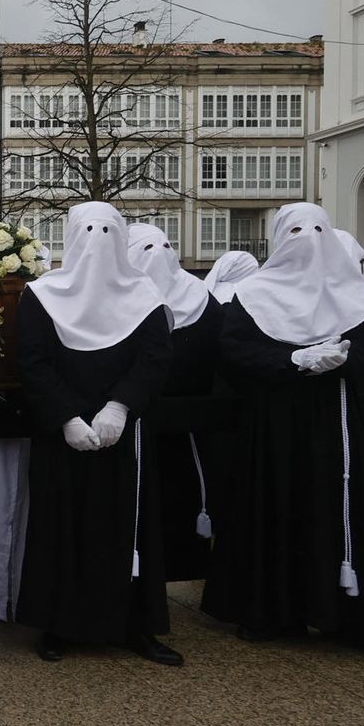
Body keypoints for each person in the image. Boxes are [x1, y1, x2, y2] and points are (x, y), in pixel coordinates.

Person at [202, 203, 364, 656]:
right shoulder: (252, 294)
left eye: (316, 228)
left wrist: (349, 359)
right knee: (277, 504)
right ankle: (274, 612)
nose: (306, 238)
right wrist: (291, 361)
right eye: (295, 230)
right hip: (276, 421)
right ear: (277, 238)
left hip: (339, 420)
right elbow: (232, 355)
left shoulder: (356, 293)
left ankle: (354, 617)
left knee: (343, 506)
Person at [17, 202, 179, 665]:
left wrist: (120, 405)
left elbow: (155, 358)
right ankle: (57, 624)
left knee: (126, 526)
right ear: (71, 237)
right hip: (62, 434)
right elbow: (32, 362)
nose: (97, 238)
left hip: (122, 433)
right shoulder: (42, 295)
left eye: (108, 229)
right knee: (61, 526)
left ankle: (136, 626)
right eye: (87, 229)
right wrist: (66, 416)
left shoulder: (145, 296)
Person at [127, 224, 224, 582]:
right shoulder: (119, 297)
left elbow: (218, 349)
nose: (158, 254)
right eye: (145, 248)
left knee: (182, 492)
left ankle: (186, 559)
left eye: (165, 245)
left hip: (185, 422)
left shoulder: (199, 297)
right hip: (133, 417)